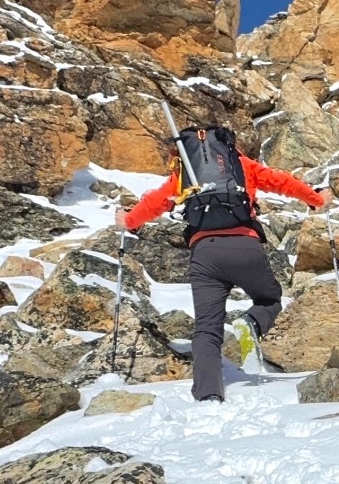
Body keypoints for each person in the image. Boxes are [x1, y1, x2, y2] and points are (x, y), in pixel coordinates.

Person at [117, 128, 326, 402]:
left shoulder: (185, 177)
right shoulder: (242, 165)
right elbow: (283, 182)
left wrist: (127, 221)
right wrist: (317, 199)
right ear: (227, 146)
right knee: (269, 299)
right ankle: (251, 322)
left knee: (206, 328)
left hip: (205, 254)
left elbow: (155, 203)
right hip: (245, 247)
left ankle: (208, 395)